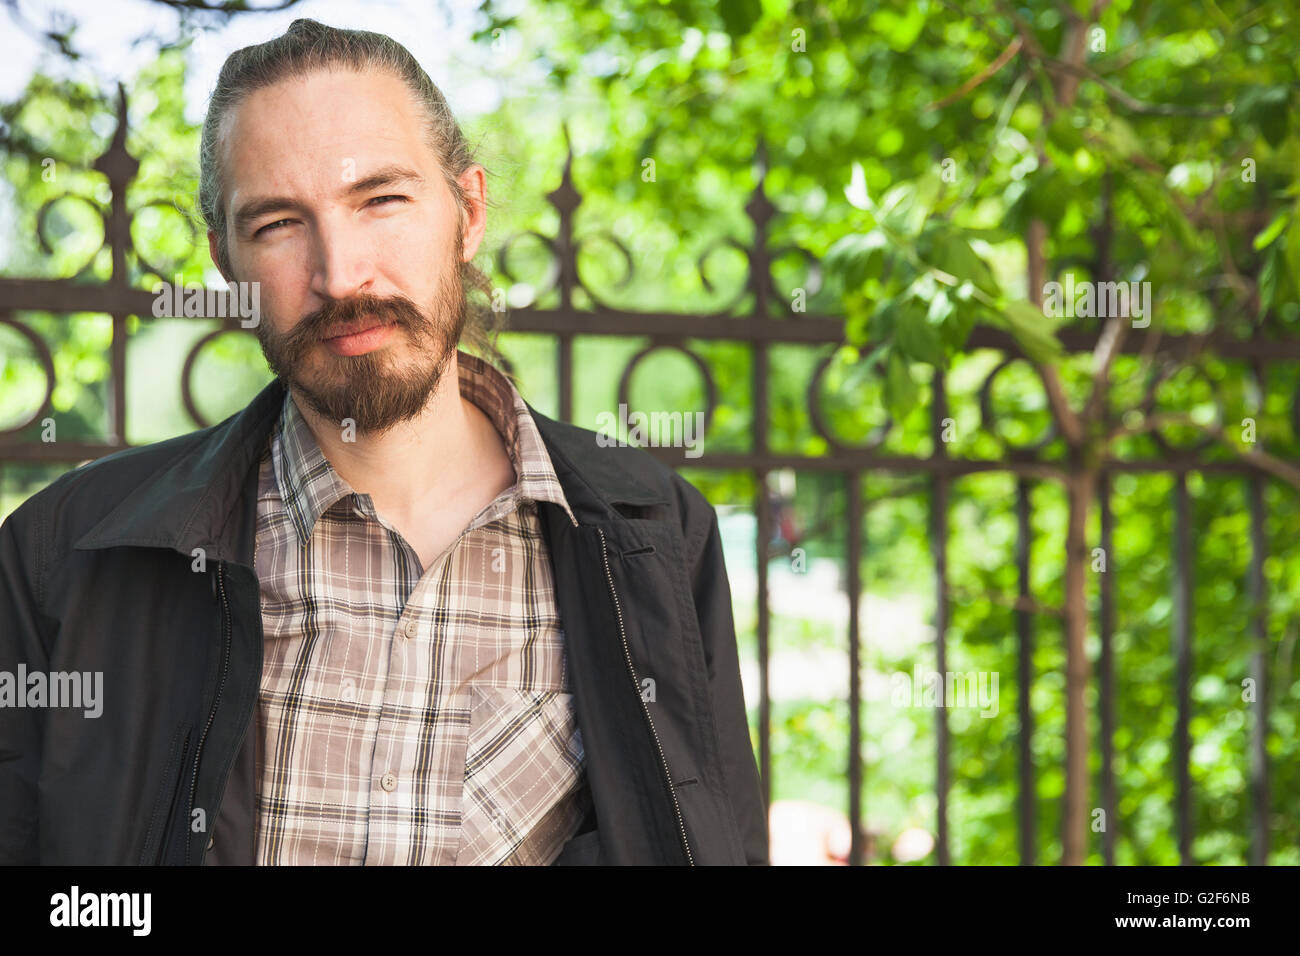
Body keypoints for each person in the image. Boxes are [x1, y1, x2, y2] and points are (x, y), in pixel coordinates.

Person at [0, 18, 768, 866]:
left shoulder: (654, 534)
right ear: (226, 260)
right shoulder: (61, 556)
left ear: (467, 212)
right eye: (279, 224)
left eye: (380, 200)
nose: (339, 274)